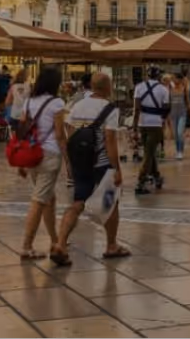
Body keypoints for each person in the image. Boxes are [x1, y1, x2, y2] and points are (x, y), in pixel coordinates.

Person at [52, 73, 130, 265]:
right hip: (102, 163)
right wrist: (117, 168)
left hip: (80, 162)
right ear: (107, 87)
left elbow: (69, 134)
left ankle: (61, 243)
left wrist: (71, 162)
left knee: (78, 202)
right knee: (111, 204)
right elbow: (110, 140)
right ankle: (111, 245)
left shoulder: (77, 106)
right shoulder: (110, 109)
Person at [19, 67, 66, 261]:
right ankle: (27, 246)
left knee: (49, 199)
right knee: (39, 201)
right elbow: (60, 135)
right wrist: (69, 162)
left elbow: (21, 131)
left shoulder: (28, 102)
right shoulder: (57, 103)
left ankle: (55, 240)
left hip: (31, 154)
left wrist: (21, 161)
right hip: (49, 154)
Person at [133, 66, 169, 195]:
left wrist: (134, 127)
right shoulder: (164, 90)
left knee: (150, 151)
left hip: (142, 124)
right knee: (149, 154)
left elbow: (136, 109)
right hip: (156, 125)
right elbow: (165, 109)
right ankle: (140, 182)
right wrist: (163, 120)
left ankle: (157, 177)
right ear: (159, 76)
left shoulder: (139, 87)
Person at [169, 72, 190, 160]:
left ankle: (180, 151)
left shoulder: (184, 88)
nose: (173, 80)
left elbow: (188, 101)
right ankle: (177, 150)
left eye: (174, 78)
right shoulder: (170, 88)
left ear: (179, 79)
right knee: (175, 134)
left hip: (182, 113)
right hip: (173, 114)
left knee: (180, 133)